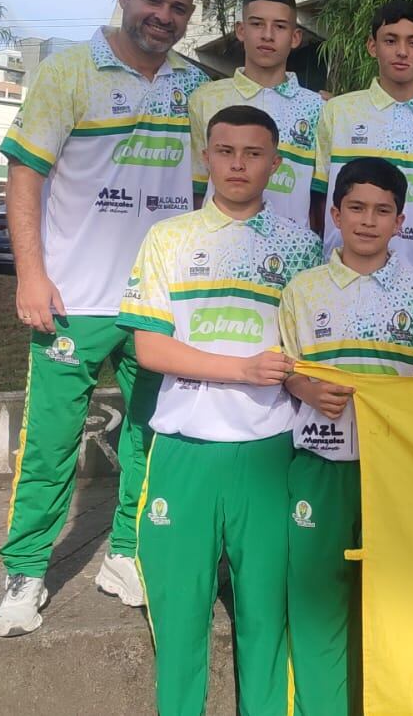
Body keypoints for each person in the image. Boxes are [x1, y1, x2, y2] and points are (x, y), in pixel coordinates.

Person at [0, 0, 207, 637]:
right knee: (51, 444)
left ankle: (126, 552)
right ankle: (25, 571)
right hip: (73, 299)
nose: (162, 16)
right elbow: (24, 173)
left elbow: (211, 179)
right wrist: (31, 272)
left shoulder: (192, 89)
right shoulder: (67, 72)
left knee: (152, 434)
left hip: (156, 305)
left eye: (177, 7)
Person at [118, 105, 323, 715]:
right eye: (226, 151)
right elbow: (149, 347)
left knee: (266, 618)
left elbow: (314, 349)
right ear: (204, 157)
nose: (238, 164)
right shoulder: (168, 238)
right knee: (180, 621)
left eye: (254, 153)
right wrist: (240, 369)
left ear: (276, 165)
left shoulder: (301, 247)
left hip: (271, 453)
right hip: (185, 451)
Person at [278, 157, 413, 715]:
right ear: (336, 214)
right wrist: (305, 387)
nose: (368, 221)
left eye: (382, 211)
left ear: (400, 220)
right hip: (319, 465)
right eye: (357, 209)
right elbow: (285, 367)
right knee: (319, 602)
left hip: (396, 474)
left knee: (392, 602)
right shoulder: (303, 289)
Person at [311, 0, 413, 273]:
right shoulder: (338, 112)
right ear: (372, 46)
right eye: (390, 40)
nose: (401, 52)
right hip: (340, 274)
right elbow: (320, 196)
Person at [189, 0, 322, 227]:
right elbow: (196, 187)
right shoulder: (205, 99)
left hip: (289, 253)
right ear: (241, 30)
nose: (267, 35)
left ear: (295, 37)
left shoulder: (319, 109)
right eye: (257, 24)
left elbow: (319, 200)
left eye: (279, 26)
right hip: (216, 250)